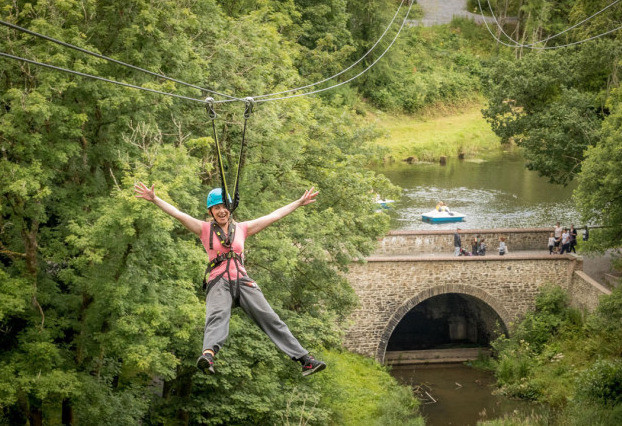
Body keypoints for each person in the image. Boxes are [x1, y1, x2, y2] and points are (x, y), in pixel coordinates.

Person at [134, 182, 326, 377]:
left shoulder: (242, 229)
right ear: (211, 212)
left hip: (242, 280)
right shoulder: (204, 229)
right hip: (219, 281)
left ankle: (305, 360)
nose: (221, 211)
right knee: (217, 316)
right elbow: (178, 214)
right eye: (217, 208)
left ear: (230, 208)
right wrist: (155, 199)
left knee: (270, 318)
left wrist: (299, 202)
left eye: (224, 206)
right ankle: (208, 356)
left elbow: (273, 215)